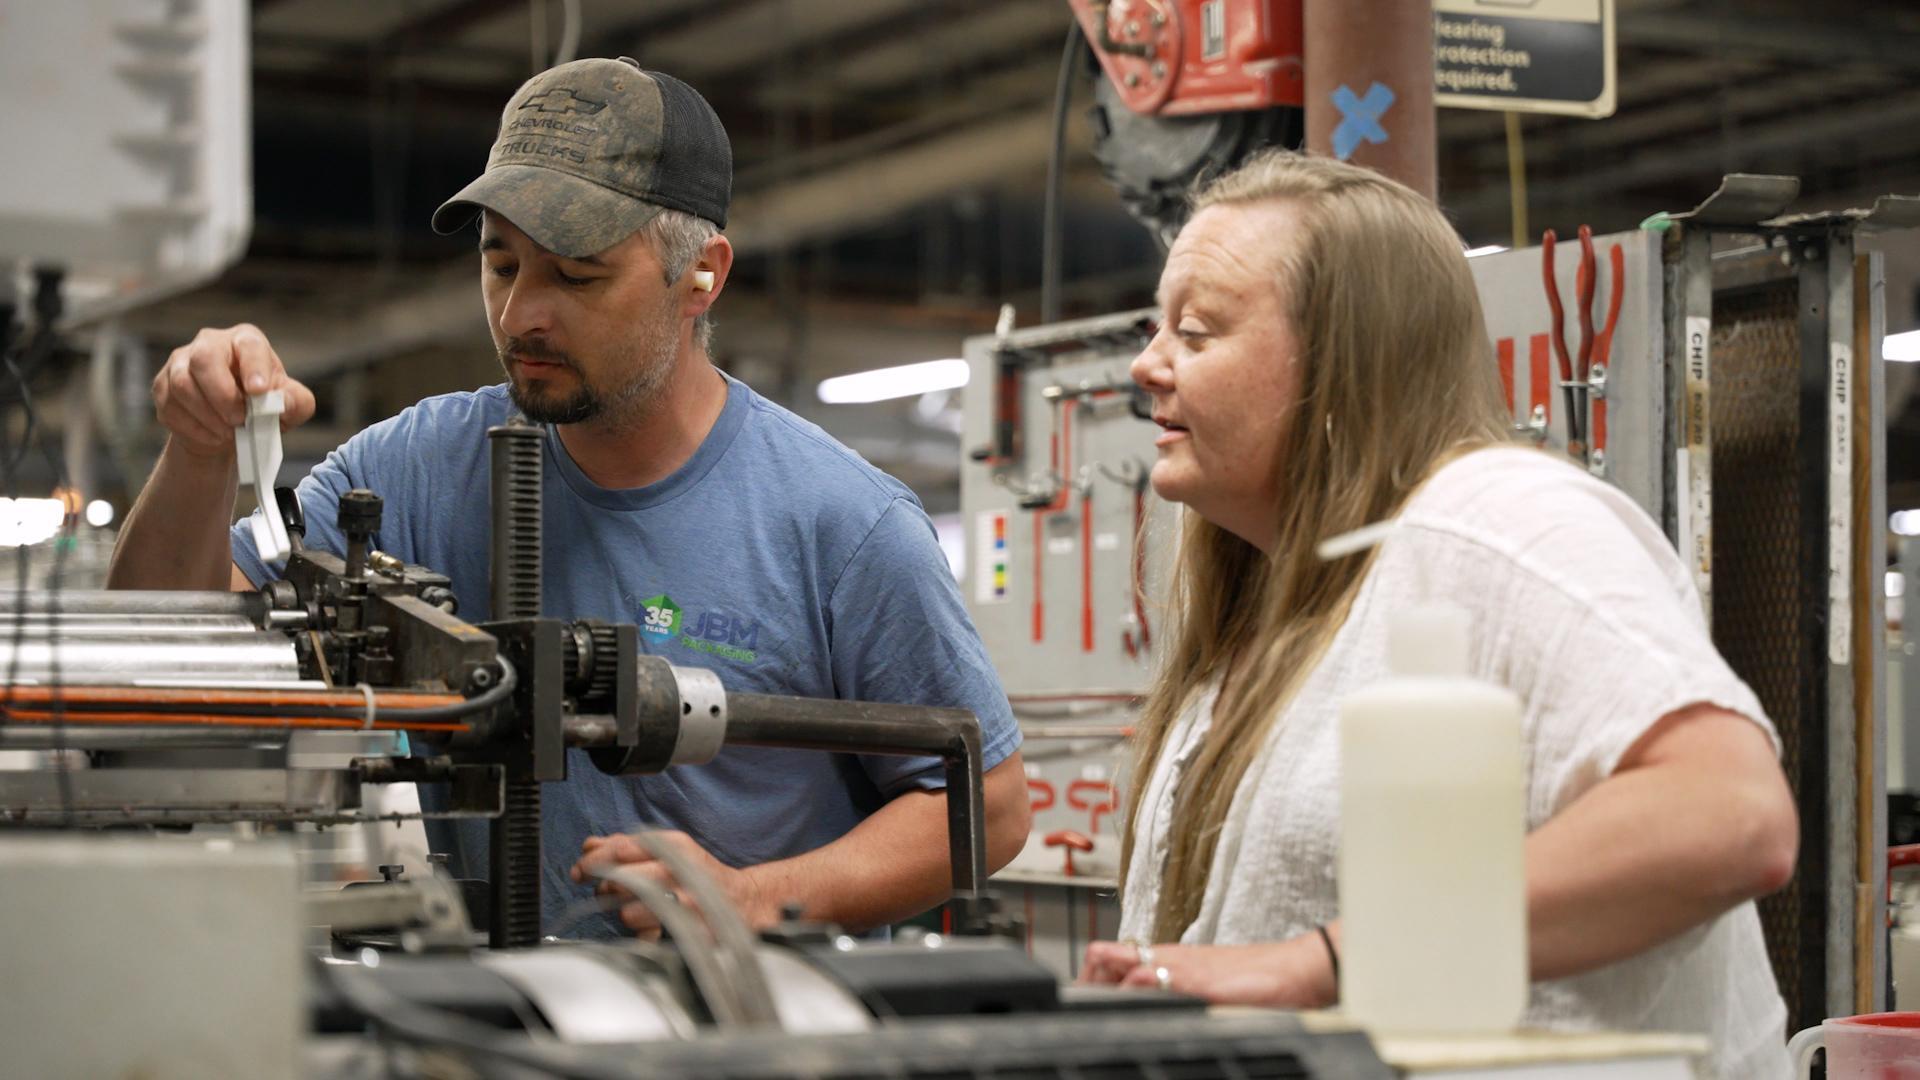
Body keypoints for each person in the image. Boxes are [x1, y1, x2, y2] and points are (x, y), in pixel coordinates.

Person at [106, 57, 1029, 938]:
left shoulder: (842, 524)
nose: (519, 317)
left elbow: (986, 808)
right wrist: (198, 453)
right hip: (508, 1013)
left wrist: (752, 897)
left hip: (748, 1024)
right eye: (501, 265)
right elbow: (170, 662)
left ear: (701, 273)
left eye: (577, 276)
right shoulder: (418, 468)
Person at [1078, 151, 1796, 1079]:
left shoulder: (1499, 521)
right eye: (1157, 329)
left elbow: (1730, 813)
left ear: (1343, 365)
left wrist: (1320, 964)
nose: (1148, 364)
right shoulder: (1264, 616)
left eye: (1198, 332)